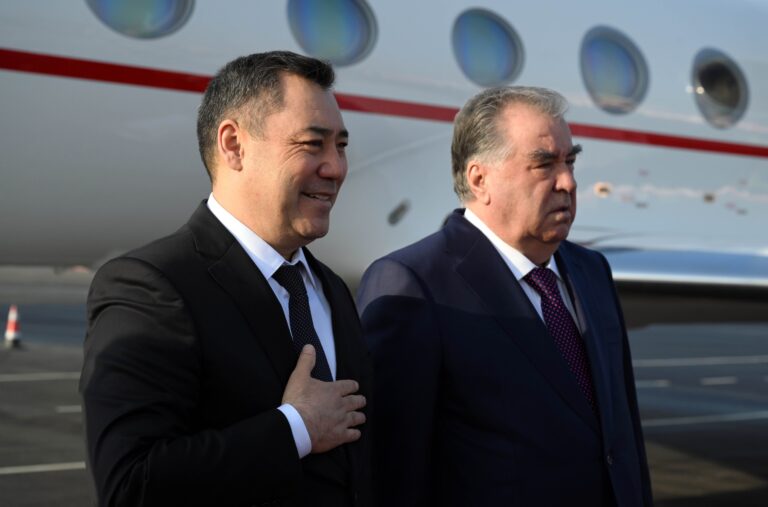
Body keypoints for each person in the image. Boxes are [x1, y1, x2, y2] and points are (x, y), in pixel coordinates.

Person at [80, 51, 372, 507]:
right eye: (312, 144)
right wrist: (295, 427)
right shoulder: (154, 287)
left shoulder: (329, 288)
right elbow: (131, 486)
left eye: (341, 146)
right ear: (234, 145)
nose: (335, 167)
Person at [356, 86, 653, 506]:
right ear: (480, 180)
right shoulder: (414, 284)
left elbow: (623, 439)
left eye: (570, 161)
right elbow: (393, 470)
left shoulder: (592, 271)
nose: (568, 182)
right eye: (544, 164)